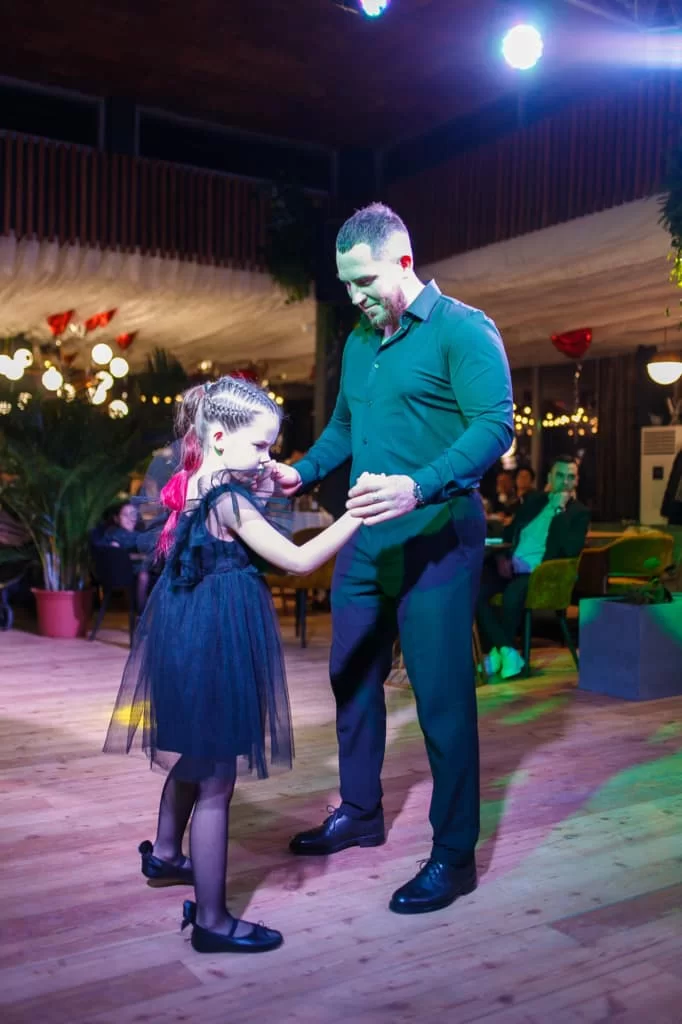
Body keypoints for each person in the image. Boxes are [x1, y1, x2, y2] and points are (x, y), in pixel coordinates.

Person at [271, 203, 513, 915]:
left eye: (365, 281)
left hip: (438, 538)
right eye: (346, 284)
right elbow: (345, 427)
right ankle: (360, 812)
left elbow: (494, 425)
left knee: (441, 700)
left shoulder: (463, 329)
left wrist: (419, 485)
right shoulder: (358, 341)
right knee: (351, 674)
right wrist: (299, 472)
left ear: (404, 262)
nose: (356, 296)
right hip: (366, 538)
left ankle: (454, 855)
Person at [104, 376, 363, 954]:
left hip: (187, 629)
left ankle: (165, 854)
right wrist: (357, 516)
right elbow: (298, 561)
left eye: (272, 446)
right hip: (214, 636)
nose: (268, 457)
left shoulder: (196, 480)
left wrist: (261, 479)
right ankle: (213, 921)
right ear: (219, 436)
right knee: (217, 781)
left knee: (197, 750)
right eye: (260, 446)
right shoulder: (229, 499)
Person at [476, 454, 590, 679]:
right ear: (550, 477)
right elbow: (509, 533)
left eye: (571, 477)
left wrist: (559, 511)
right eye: (560, 476)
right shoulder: (533, 501)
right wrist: (502, 558)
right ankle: (506, 650)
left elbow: (570, 549)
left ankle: (501, 652)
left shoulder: (579, 513)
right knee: (476, 590)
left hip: (541, 574)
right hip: (513, 567)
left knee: (512, 593)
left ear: (577, 480)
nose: (565, 482)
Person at [92, 499, 151, 611]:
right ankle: (142, 612)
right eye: (125, 515)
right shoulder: (113, 534)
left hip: (145, 567)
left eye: (132, 514)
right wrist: (141, 556)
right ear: (117, 518)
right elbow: (116, 555)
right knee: (144, 576)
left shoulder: (141, 535)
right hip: (122, 570)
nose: (129, 518)